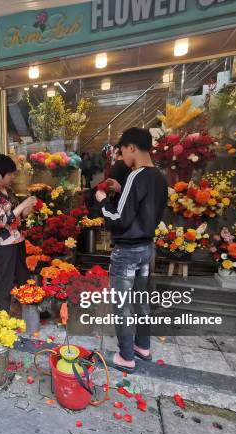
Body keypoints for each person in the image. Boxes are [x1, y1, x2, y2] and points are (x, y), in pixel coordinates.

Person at [94, 128, 167, 373]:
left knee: (122, 305)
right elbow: (142, 205)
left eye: (122, 151)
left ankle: (126, 357)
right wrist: (121, 187)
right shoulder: (158, 176)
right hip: (147, 248)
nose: (122, 157)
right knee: (142, 300)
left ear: (132, 147)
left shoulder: (136, 176)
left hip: (127, 252)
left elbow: (119, 217)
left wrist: (103, 199)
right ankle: (142, 346)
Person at [0, 154, 37, 312]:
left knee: (23, 278)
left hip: (17, 240)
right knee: (5, 282)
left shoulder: (9, 191)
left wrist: (29, 208)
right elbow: (4, 221)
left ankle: (28, 314)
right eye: (10, 174)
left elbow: (19, 215)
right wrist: (23, 205)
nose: (13, 177)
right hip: (3, 244)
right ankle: (3, 320)